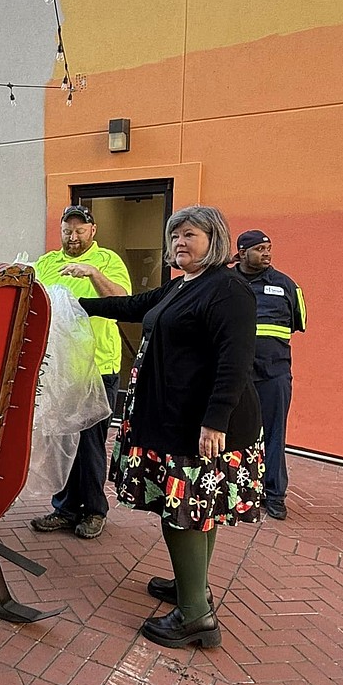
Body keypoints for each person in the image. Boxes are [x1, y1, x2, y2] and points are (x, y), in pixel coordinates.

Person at [81, 205, 262, 649]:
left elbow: (235, 360)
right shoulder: (182, 285)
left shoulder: (228, 289)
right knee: (198, 512)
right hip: (174, 418)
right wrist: (70, 303)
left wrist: (215, 420)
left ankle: (195, 616)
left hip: (200, 424)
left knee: (180, 512)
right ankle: (192, 586)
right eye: (175, 235)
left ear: (214, 239)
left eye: (191, 235)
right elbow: (130, 305)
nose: (180, 242)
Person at [30, 204, 131, 539]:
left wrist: (93, 273)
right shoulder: (47, 263)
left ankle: (93, 510)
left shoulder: (108, 262)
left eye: (79, 229)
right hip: (60, 370)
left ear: (93, 230)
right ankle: (65, 508)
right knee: (61, 437)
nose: (73, 236)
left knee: (89, 442)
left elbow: (123, 301)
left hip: (98, 367)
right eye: (67, 230)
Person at [234, 230, 306, 521]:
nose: (267, 253)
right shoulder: (225, 283)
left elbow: (298, 322)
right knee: (232, 435)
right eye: (260, 248)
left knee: (274, 435)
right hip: (234, 375)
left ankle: (274, 495)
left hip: (274, 373)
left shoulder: (285, 285)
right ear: (241, 253)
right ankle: (237, 491)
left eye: (269, 248)